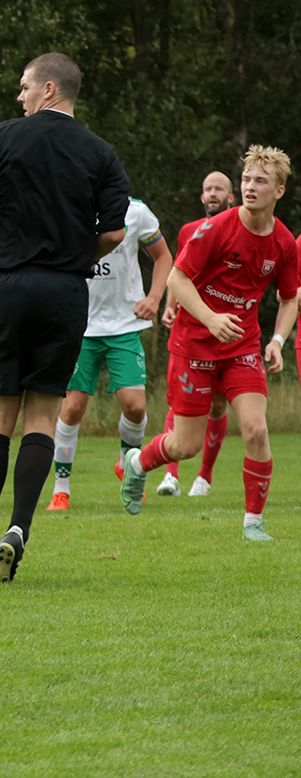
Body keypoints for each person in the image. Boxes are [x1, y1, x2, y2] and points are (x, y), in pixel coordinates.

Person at [0, 53, 131, 582]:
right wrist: (73, 258)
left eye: (25, 87)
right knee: (41, 419)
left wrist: (8, 247)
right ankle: (19, 530)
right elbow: (115, 232)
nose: (20, 97)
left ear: (49, 89)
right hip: (65, 291)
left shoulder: (2, 137)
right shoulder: (102, 153)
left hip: (7, 285)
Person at [121, 147, 298, 541]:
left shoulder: (284, 243)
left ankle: (253, 523)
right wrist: (211, 318)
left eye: (261, 181)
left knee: (256, 431)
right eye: (247, 180)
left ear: (279, 191)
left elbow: (290, 298)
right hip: (193, 345)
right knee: (185, 447)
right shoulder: (215, 228)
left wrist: (277, 340)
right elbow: (177, 279)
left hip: (242, 349)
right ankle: (137, 463)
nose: (250, 187)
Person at [44, 197, 170, 509]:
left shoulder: (135, 211)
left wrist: (154, 298)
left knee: (135, 407)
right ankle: (61, 490)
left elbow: (164, 257)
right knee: (72, 407)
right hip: (79, 325)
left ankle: (127, 464)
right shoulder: (65, 204)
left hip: (125, 324)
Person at [154, 171, 238, 496]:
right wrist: (169, 305)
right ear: (202, 198)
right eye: (208, 189)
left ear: (231, 198)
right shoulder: (189, 231)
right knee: (179, 402)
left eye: (219, 189)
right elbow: (180, 272)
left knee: (218, 406)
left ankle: (204, 476)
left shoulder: (240, 233)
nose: (213, 193)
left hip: (225, 330)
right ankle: (170, 477)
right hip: (191, 331)